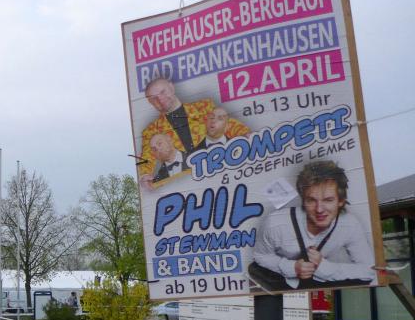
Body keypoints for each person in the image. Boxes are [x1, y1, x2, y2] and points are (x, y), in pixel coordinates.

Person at [250, 161, 376, 291]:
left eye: (328, 200)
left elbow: (369, 270)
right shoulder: (275, 222)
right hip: (278, 280)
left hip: (317, 279)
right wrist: (292, 267)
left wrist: (324, 266)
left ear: (341, 201)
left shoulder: (350, 224)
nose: (319, 209)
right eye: (311, 200)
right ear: (303, 200)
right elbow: (260, 256)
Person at [139, 78, 249, 183]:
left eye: (163, 92)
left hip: (220, 170)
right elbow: (146, 157)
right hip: (188, 183)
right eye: (154, 98)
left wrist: (245, 135)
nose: (160, 99)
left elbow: (228, 124)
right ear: (150, 102)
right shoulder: (151, 130)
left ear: (172, 88)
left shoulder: (204, 107)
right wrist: (145, 175)